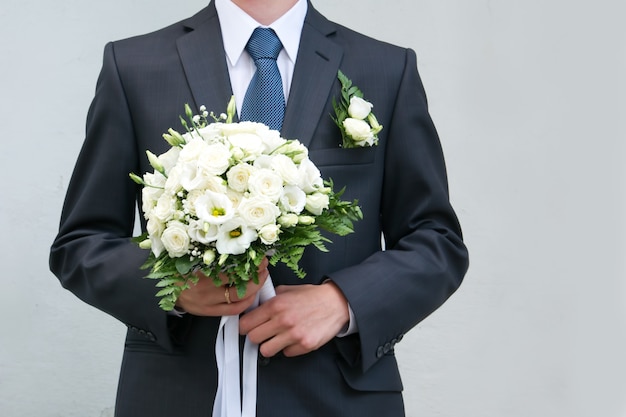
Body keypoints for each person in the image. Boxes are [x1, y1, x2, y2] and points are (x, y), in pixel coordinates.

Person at [49, 0, 469, 416]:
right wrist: (175, 290)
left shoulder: (386, 68)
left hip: (335, 396)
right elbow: (81, 243)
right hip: (179, 394)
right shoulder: (135, 66)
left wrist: (343, 303)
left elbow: (436, 241)